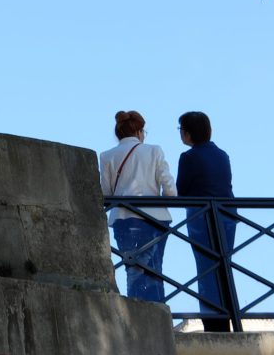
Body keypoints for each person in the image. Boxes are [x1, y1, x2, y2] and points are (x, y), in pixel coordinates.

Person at [99, 110, 176, 302]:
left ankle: (137, 311)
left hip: (124, 220)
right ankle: (158, 311)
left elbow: (105, 193)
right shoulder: (154, 151)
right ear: (140, 131)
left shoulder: (107, 156)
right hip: (155, 219)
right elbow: (170, 191)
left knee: (132, 269)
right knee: (155, 268)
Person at [177, 110, 236, 332]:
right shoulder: (222, 155)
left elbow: (181, 191)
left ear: (188, 133)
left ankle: (213, 322)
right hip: (227, 214)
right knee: (224, 266)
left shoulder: (189, 157)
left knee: (206, 269)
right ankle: (231, 316)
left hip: (202, 217)